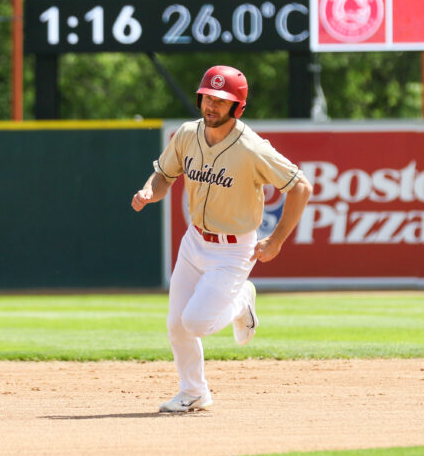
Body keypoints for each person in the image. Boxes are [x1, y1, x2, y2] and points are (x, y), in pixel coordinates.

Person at [131, 65, 312, 413]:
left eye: (221, 100)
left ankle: (242, 300)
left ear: (237, 107)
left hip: (233, 250)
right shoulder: (186, 134)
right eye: (208, 98)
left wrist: (275, 240)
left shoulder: (251, 148)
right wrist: (148, 191)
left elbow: (300, 186)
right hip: (194, 242)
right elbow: (164, 175)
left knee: (195, 322)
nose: (212, 106)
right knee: (176, 325)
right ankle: (194, 392)